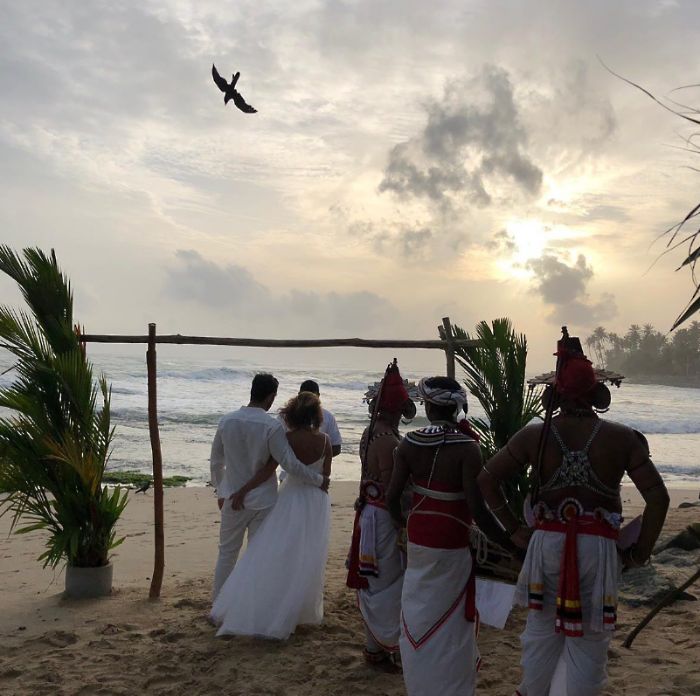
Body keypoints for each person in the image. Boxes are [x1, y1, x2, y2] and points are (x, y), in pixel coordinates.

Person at [478, 333, 670, 696]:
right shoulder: (623, 438)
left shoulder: (534, 436)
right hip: (598, 550)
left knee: (541, 634)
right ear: (598, 393)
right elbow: (658, 499)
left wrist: (514, 530)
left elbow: (487, 478)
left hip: (545, 546)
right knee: (590, 640)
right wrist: (639, 553)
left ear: (554, 393)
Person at [386, 376, 512, 696]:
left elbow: (392, 498)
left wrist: (404, 522)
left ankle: (420, 681)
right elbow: (477, 509)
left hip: (419, 534)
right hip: (453, 535)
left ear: (428, 407)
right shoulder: (469, 447)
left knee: (418, 609)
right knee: (451, 616)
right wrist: (507, 541)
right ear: (454, 408)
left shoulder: (409, 443)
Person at [210, 391, 332, 639]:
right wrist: (319, 480)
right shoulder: (326, 441)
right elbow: (325, 476)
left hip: (288, 499)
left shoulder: (285, 437)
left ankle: (238, 606)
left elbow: (270, 469)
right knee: (307, 556)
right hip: (315, 501)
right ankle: (300, 610)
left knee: (267, 555)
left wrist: (235, 490)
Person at [346, 360, 416, 671]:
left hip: (370, 515)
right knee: (389, 584)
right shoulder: (387, 440)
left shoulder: (371, 432)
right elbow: (391, 488)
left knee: (378, 583)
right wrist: (403, 519)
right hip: (382, 519)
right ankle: (384, 646)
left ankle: (375, 647)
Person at [299, 379, 342, 457]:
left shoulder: (327, 417)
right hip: (291, 467)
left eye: (311, 397)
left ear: (318, 396)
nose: (308, 401)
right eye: (306, 397)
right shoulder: (286, 416)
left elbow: (336, 447)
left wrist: (317, 458)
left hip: (317, 466)